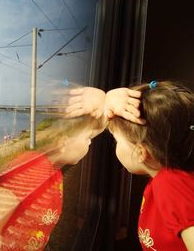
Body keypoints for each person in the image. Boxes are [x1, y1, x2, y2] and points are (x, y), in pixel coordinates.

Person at [64, 81, 194, 250]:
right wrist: (105, 102)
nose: (115, 145)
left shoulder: (171, 184)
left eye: (117, 140)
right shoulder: (172, 178)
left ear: (141, 152)